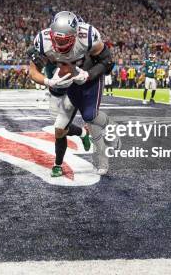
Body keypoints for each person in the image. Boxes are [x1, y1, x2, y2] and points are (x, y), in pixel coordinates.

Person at [28, 11, 115, 176]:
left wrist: (88, 75)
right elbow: (33, 72)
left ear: (76, 34)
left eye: (65, 40)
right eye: (57, 39)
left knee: (90, 117)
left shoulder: (87, 36)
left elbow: (108, 62)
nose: (60, 44)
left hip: (88, 78)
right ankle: (58, 163)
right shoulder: (43, 41)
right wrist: (48, 81)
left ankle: (103, 159)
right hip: (66, 80)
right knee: (59, 128)